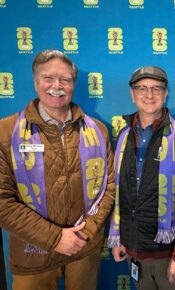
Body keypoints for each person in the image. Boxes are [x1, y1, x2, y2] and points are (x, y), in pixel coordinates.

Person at [0, 49, 115, 290]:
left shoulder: (98, 130)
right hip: (33, 255)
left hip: (84, 250)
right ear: (35, 82)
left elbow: (109, 188)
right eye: (48, 78)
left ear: (73, 84)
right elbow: (2, 202)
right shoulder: (6, 132)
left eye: (65, 79)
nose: (57, 86)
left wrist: (86, 233)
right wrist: (54, 238)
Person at [108, 66, 175, 290]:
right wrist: (122, 240)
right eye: (141, 88)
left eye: (156, 89)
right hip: (134, 254)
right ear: (132, 94)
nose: (149, 95)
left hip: (168, 256)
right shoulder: (123, 137)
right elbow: (121, 193)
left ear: (166, 93)